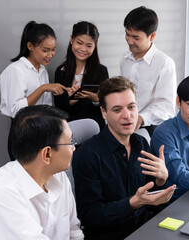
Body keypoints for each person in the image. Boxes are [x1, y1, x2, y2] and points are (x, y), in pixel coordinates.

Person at [73, 76, 175, 239]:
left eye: (131, 107)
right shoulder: (87, 155)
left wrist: (161, 180)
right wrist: (133, 203)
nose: (127, 115)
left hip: (146, 229)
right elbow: (90, 216)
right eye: (117, 109)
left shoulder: (140, 143)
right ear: (104, 112)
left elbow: (151, 197)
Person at [0, 105, 84, 239]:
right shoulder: (2, 194)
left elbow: (73, 232)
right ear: (47, 154)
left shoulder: (59, 176)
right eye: (70, 142)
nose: (73, 148)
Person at [0, 21, 71, 160]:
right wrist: (43, 88)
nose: (50, 55)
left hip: (44, 132)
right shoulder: (16, 70)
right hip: (24, 133)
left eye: (53, 49)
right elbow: (15, 110)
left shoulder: (42, 70)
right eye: (45, 50)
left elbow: (47, 106)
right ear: (30, 46)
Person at [120, 6, 177, 136]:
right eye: (127, 34)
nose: (129, 41)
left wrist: (140, 119)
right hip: (126, 123)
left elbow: (166, 108)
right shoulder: (124, 59)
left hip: (151, 127)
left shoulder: (164, 63)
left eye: (135, 37)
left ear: (152, 36)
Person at [55, 21, 109, 130]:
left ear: (94, 47)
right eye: (79, 43)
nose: (83, 49)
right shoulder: (60, 71)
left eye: (89, 45)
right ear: (71, 40)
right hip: (68, 132)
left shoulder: (101, 71)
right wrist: (70, 101)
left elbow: (108, 105)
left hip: (94, 130)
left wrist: (96, 100)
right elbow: (58, 108)